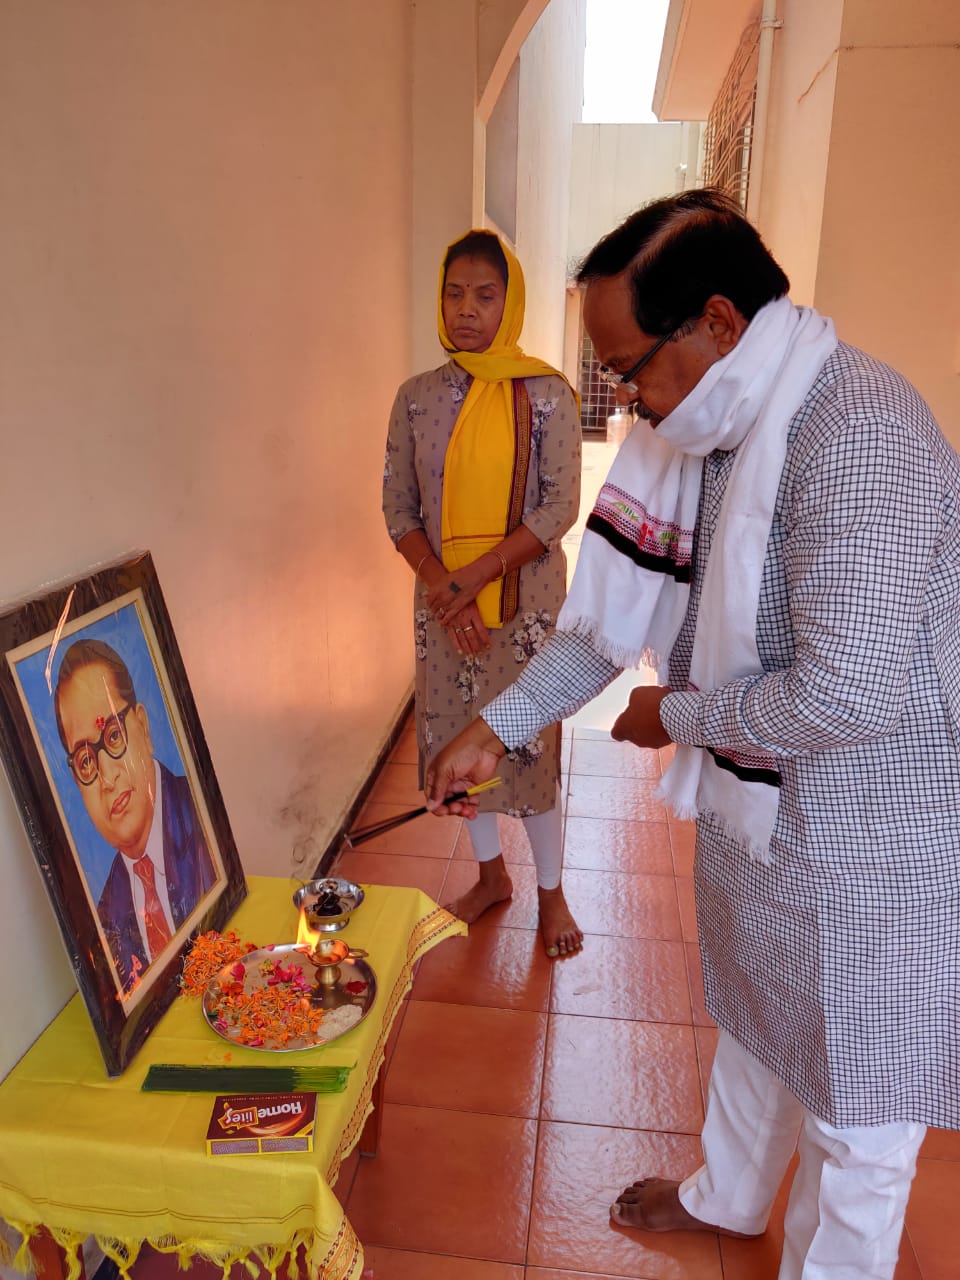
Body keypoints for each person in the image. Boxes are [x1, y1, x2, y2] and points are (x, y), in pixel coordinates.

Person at [423, 189, 960, 1279]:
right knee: (759, 1022)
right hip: (758, 808)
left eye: (632, 364)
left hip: (874, 838)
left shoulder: (858, 433)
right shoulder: (701, 431)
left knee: (857, 1110)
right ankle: (727, 1196)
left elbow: (847, 697)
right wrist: (498, 723)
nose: (625, 394)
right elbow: (616, 622)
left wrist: (678, 716)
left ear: (719, 322)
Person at [382, 228, 584, 957]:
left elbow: (559, 508)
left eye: (486, 295)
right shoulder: (415, 400)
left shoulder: (548, 394)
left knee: (526, 750)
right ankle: (491, 876)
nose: (467, 309)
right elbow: (398, 511)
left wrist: (479, 578)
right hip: (445, 614)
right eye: (454, 293)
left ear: (512, 302)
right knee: (454, 752)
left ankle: (552, 895)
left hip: (524, 611)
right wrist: (446, 592)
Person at [55, 637, 217, 992]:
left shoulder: (206, 827)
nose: (107, 777)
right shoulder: (105, 918)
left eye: (113, 736)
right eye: (85, 760)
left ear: (142, 728)